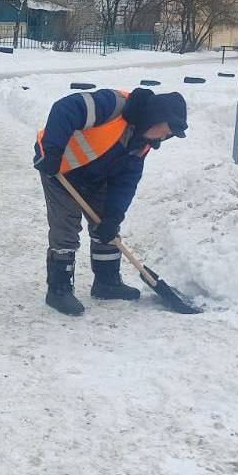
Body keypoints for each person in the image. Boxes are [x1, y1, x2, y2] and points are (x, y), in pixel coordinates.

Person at [34, 87, 187, 316]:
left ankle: (107, 282)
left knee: (105, 226)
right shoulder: (112, 106)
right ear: (156, 117)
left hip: (96, 177)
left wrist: (113, 216)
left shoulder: (141, 143)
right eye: (165, 132)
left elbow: (126, 182)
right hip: (59, 168)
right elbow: (65, 108)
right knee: (66, 226)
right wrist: (52, 150)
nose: (164, 139)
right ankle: (58, 289)